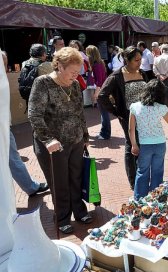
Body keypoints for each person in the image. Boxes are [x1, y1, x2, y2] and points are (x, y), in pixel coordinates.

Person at [28, 47, 93, 234]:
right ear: (59, 66)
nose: (76, 76)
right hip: (53, 145)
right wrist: (48, 140)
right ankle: (62, 217)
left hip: (75, 140)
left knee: (76, 178)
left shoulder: (73, 85)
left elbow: (80, 112)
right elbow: (34, 114)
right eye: (73, 72)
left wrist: (85, 136)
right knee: (59, 182)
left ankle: (79, 211)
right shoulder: (43, 83)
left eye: (78, 72)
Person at [98, 46, 146, 190]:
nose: (139, 63)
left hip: (145, 116)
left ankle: (142, 174)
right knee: (131, 144)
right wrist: (116, 112)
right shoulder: (117, 76)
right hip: (127, 116)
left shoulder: (142, 72)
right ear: (127, 60)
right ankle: (133, 180)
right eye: (136, 60)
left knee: (142, 143)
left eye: (140, 59)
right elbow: (102, 96)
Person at [129, 79, 168, 200]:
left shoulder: (134, 107)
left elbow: (131, 129)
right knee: (157, 171)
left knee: (142, 171)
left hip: (145, 145)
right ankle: (154, 198)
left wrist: (134, 145)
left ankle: (139, 199)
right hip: (160, 143)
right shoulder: (162, 108)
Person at [3, 51, 49, 197]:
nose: (5, 68)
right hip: (3, 127)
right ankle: (30, 187)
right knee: (13, 158)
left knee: (13, 158)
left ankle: (30, 187)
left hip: (6, 124)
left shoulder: (24, 66)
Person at [86, 45, 110, 140]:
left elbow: (99, 81)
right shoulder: (98, 63)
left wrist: (96, 93)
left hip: (101, 91)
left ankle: (105, 134)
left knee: (104, 113)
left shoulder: (97, 65)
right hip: (102, 90)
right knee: (103, 113)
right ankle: (104, 132)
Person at [19, 44, 53, 109]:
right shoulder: (46, 65)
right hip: (42, 98)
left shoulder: (24, 63)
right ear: (43, 54)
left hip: (29, 96)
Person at [153, 44, 168, 108]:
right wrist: (166, 76)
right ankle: (166, 109)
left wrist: (159, 75)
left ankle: (159, 109)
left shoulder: (157, 58)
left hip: (159, 78)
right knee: (167, 95)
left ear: (162, 50)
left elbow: (154, 68)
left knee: (159, 94)